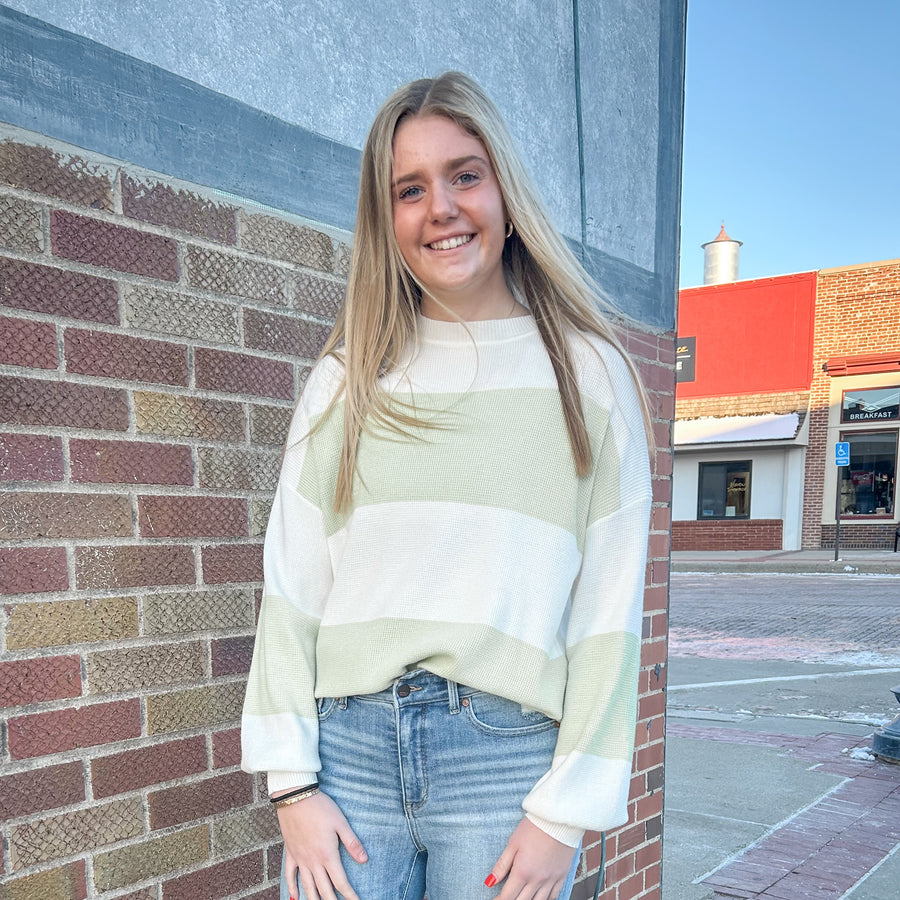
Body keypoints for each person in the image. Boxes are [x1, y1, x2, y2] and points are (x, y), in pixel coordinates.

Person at [241, 71, 653, 900]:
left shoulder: (589, 375)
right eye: (410, 189)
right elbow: (291, 590)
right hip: (348, 756)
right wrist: (290, 786)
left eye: (465, 174)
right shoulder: (347, 380)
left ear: (504, 190)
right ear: (386, 218)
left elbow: (608, 614)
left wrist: (561, 816)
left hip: (505, 771)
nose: (442, 208)